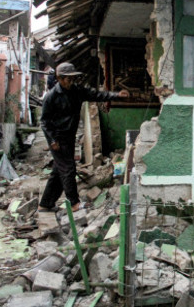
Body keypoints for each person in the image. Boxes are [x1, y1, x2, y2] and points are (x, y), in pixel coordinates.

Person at [38, 62, 129, 213]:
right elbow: (44, 122)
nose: (71, 82)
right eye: (68, 79)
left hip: (69, 137)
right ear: (60, 78)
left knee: (58, 172)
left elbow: (97, 95)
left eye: (73, 79)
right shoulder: (51, 96)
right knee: (68, 169)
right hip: (58, 140)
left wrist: (116, 95)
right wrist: (52, 140)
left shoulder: (76, 91)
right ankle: (74, 203)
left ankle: (46, 204)